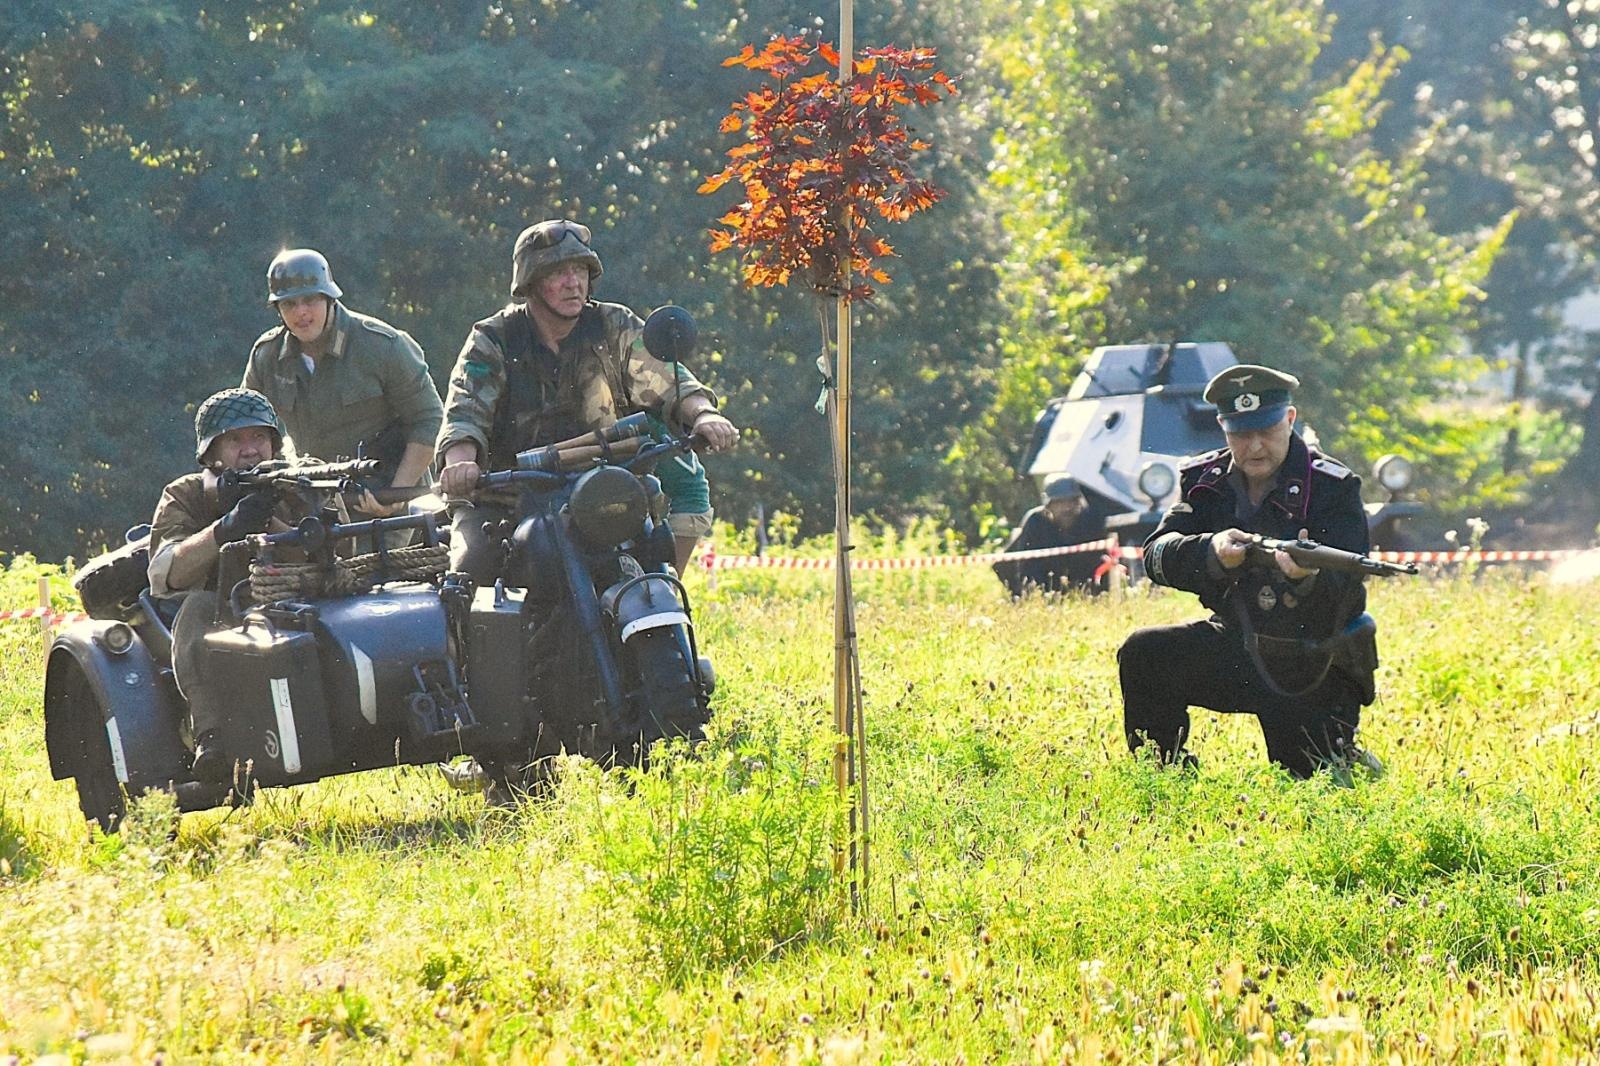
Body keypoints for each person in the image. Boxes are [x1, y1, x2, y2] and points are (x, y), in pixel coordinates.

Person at [1116, 365, 1383, 779]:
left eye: (1267, 431)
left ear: (1290, 420)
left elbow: (1347, 580)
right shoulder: (1204, 482)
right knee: (1145, 653)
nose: (1255, 446)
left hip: (1313, 662)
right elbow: (1156, 554)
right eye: (1241, 433)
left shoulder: (1333, 486)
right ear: (1223, 428)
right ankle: (1161, 779)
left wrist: (1306, 579)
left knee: (1307, 782)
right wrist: (1210, 551)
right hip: (1237, 646)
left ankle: (1344, 756)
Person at [435, 218, 738, 582]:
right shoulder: (494, 338)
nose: (573, 282)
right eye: (557, 272)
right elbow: (466, 410)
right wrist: (461, 464)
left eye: (579, 270)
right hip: (507, 502)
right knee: (469, 573)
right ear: (530, 281)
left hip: (606, 495)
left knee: (655, 574)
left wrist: (704, 415)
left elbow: (666, 378)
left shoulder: (613, 324)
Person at [148, 389, 310, 781]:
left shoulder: (301, 481)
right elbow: (166, 573)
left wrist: (270, 521)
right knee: (195, 612)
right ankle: (211, 736)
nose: (250, 449)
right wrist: (227, 527)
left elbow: (334, 553)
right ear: (212, 453)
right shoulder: (185, 495)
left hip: (296, 600)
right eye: (235, 439)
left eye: (259, 437)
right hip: (223, 613)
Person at [242, 248, 443, 519]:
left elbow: (430, 420)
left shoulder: (383, 346)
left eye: (310, 300)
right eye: (289, 304)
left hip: (384, 502)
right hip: (309, 503)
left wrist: (397, 493)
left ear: (329, 299)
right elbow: (245, 427)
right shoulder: (267, 357)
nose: (301, 312)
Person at [992, 474, 1105, 597]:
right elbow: (1021, 567)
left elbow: (1100, 562)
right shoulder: (1036, 522)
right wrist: (1027, 595)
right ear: (1048, 505)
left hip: (1082, 591)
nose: (1067, 508)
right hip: (1045, 590)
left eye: (1072, 501)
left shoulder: (1089, 521)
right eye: (1060, 502)